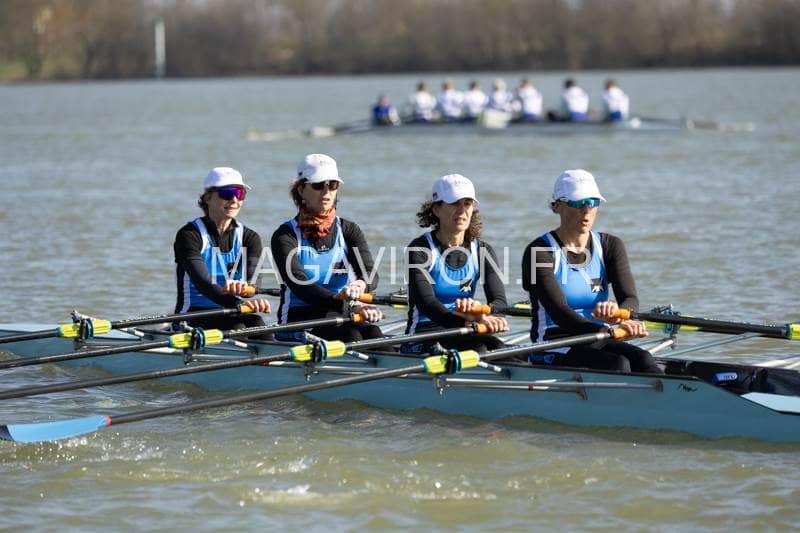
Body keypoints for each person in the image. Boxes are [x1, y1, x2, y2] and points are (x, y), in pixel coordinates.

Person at [521, 169, 663, 374]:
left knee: (644, 358)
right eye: (578, 203)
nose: (586, 210)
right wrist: (607, 329)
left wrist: (623, 316)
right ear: (557, 206)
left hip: (599, 336)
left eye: (593, 202)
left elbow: (630, 298)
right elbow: (559, 312)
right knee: (617, 364)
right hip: (554, 344)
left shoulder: (611, 245)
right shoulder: (538, 252)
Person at [271, 154, 383, 342]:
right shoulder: (285, 235)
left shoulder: (348, 230)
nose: (326, 191)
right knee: (352, 335)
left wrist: (361, 284)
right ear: (301, 190)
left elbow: (370, 273)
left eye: (332, 185)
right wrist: (350, 306)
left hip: (339, 311)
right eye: (318, 185)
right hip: (299, 317)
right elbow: (300, 285)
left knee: (374, 333)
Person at [405, 174, 509, 354]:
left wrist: (483, 312)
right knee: (479, 348)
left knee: (501, 349)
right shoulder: (420, 249)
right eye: (454, 203)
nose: (462, 211)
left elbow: (500, 302)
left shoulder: (483, 250)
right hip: (424, 333)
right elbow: (426, 303)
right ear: (436, 209)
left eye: (467, 204)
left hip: (465, 328)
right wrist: (469, 321)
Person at [173, 167, 271, 332]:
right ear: (207, 198)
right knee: (238, 326)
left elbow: (253, 283)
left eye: (240, 193)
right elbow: (204, 283)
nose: (234, 200)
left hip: (232, 311)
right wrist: (238, 303)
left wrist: (245, 288)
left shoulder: (250, 238)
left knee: (258, 324)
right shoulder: (189, 235)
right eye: (227, 193)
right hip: (192, 316)